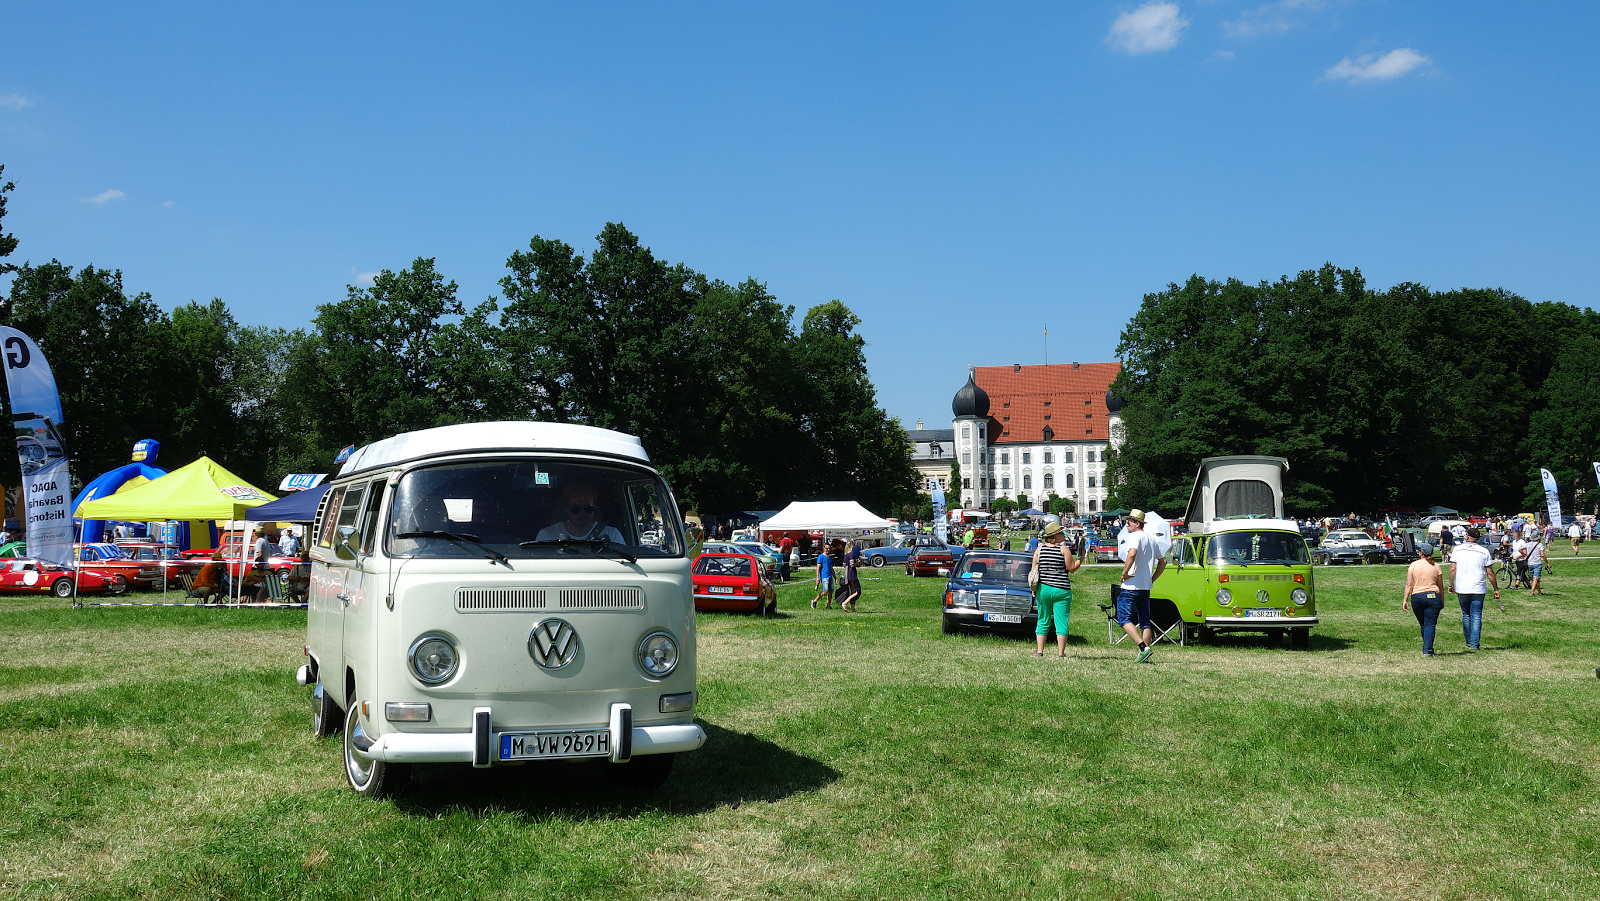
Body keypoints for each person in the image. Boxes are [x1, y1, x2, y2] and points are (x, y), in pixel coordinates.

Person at [1117, 509, 1167, 663]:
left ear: (1137, 523)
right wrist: (1152, 579)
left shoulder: (1135, 536)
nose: (1126, 525)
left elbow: (1131, 554)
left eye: (1129, 522)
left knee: (1124, 618)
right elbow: (1163, 562)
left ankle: (1143, 648)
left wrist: (1125, 573)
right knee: (1145, 622)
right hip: (1145, 587)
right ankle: (1144, 657)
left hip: (1131, 586)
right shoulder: (1151, 539)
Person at [1031, 521, 1081, 658]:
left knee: (1043, 619)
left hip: (1044, 589)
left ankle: (1040, 651)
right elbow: (1071, 568)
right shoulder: (1063, 549)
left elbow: (1033, 571)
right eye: (1061, 532)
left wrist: (1033, 588)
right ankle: (1061, 653)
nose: (1063, 534)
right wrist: (1080, 560)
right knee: (1061, 621)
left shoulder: (1039, 549)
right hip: (1061, 589)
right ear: (1055, 536)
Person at [1448, 527, 1500, 650]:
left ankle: (1468, 641)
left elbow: (1453, 569)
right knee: (1476, 615)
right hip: (1478, 587)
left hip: (1463, 587)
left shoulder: (1458, 549)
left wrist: (1451, 584)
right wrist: (1496, 588)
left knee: (1466, 615)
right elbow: (1490, 573)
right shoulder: (1484, 551)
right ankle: (1474, 643)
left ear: (1467, 536)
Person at [534, 481, 625, 544]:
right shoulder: (547, 536)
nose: (582, 513)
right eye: (576, 509)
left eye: (588, 509)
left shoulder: (612, 535)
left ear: (595, 506)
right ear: (566, 507)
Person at [1402, 544, 1445, 656]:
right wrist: (1442, 600)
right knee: (1430, 624)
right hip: (1433, 596)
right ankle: (1428, 649)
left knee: (1423, 624)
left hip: (1417, 596)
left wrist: (1405, 600)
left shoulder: (1414, 565)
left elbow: (1409, 584)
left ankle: (1427, 646)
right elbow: (1440, 586)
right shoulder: (1436, 565)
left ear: (1421, 552)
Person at [839, 541, 863, 612]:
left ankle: (853, 609)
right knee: (857, 591)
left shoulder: (845, 555)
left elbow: (844, 565)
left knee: (853, 591)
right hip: (852, 574)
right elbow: (852, 565)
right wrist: (858, 562)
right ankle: (844, 603)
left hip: (847, 574)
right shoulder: (851, 554)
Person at [811, 541, 835, 609]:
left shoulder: (829, 558)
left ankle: (828, 605)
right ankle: (815, 601)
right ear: (824, 548)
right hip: (824, 576)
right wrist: (817, 578)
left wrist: (835, 578)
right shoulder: (821, 557)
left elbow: (831, 568)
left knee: (831, 591)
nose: (828, 550)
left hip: (830, 576)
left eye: (829, 548)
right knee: (825, 591)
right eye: (827, 548)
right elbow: (818, 567)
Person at [1526, 529, 1547, 596]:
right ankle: (1532, 592)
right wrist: (1547, 563)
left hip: (1530, 563)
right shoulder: (1540, 545)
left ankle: (1539, 592)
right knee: (1536, 578)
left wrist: (1524, 555)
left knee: (1535, 578)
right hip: (1537, 563)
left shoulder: (1528, 544)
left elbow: (1520, 549)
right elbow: (1543, 555)